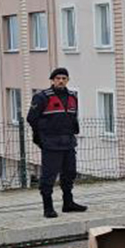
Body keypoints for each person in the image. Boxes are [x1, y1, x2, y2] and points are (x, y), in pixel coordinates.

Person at [27, 68, 86, 218]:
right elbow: (31, 118)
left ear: (67, 80)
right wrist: (41, 136)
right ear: (52, 80)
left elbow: (73, 118)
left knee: (69, 174)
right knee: (48, 177)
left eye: (64, 78)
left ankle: (68, 203)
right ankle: (48, 208)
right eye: (58, 78)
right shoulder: (42, 97)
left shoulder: (73, 96)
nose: (61, 80)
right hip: (51, 143)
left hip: (68, 142)